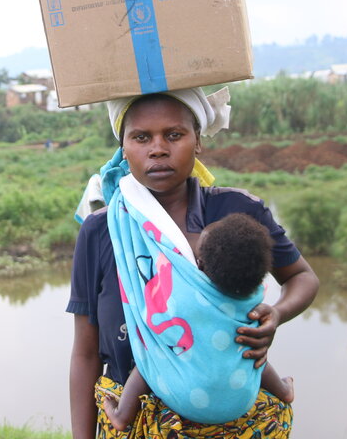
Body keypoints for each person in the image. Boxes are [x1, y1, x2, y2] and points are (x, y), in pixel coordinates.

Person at [68, 88, 320, 439]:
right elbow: (85, 353)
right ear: (123, 147)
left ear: (197, 141)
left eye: (174, 135)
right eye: (141, 137)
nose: (158, 148)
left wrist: (277, 314)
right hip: (134, 423)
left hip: (236, 420)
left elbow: (302, 277)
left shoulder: (238, 211)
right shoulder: (102, 230)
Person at [101, 211, 295, 432]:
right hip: (240, 401)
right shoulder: (255, 298)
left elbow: (159, 309)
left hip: (187, 403)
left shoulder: (191, 297)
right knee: (252, 353)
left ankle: (121, 415)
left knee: (152, 353)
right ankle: (283, 390)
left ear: (200, 266)